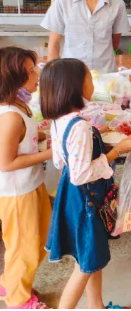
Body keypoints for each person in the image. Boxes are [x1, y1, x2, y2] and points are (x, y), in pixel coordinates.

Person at [41, 58, 131, 309]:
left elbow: (60, 161)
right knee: (85, 265)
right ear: (75, 86)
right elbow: (80, 174)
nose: (92, 82)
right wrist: (116, 151)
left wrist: (96, 137)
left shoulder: (60, 120)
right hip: (87, 199)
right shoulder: (80, 127)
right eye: (89, 77)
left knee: (89, 256)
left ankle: (96, 305)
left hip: (72, 195)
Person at [0, 47, 52, 309]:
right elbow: (6, 162)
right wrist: (51, 153)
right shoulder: (9, 115)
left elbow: (25, 136)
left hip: (32, 184)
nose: (37, 75)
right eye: (31, 71)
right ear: (13, 80)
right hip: (18, 193)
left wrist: (45, 136)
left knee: (40, 239)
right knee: (24, 247)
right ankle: (18, 300)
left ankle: (10, 281)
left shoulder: (20, 106)